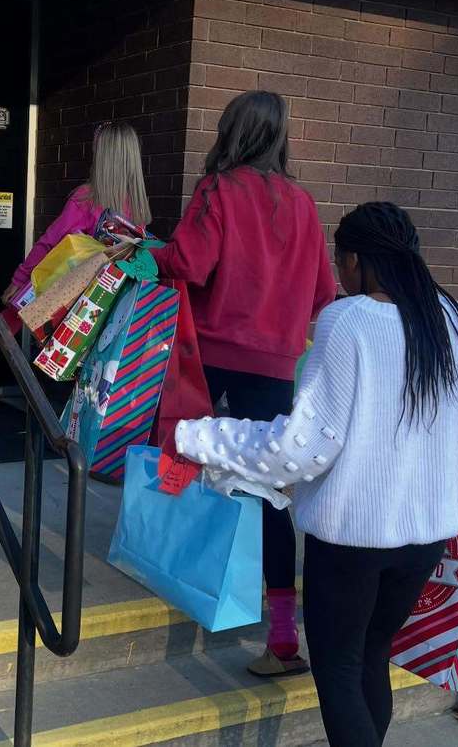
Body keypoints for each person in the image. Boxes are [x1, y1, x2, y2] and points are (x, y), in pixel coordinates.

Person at [174, 202, 458, 747]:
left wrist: (196, 436)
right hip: (428, 536)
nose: (339, 277)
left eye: (340, 262)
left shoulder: (348, 324)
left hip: (350, 537)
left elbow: (300, 451)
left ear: (356, 261)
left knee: (339, 667)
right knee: (372, 654)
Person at [149, 90, 337, 676]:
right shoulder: (303, 204)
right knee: (270, 496)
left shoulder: (218, 191)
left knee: (178, 454)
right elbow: (324, 294)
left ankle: (166, 573)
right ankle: (283, 639)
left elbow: (188, 264)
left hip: (210, 356)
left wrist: (153, 254)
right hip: (277, 367)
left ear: (230, 131)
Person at [1, 121, 151, 305]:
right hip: (116, 302)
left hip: (76, 301)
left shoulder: (86, 199)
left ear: (102, 157)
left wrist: (19, 280)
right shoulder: (138, 205)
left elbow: (49, 242)